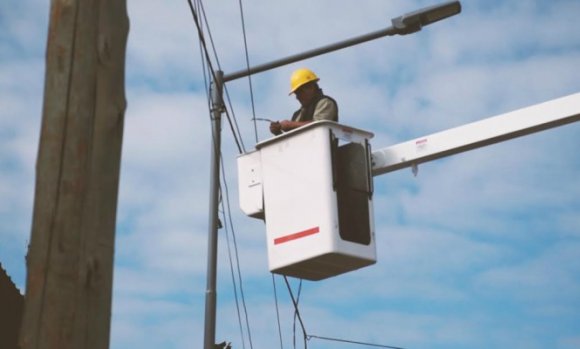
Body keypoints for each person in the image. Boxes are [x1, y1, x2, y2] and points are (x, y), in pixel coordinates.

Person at [270, 68, 338, 135]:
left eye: (299, 92)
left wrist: (291, 125)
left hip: (322, 145)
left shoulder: (325, 103)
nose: (297, 97)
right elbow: (292, 140)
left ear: (311, 87)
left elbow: (319, 126)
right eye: (296, 94)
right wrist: (279, 132)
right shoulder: (297, 115)